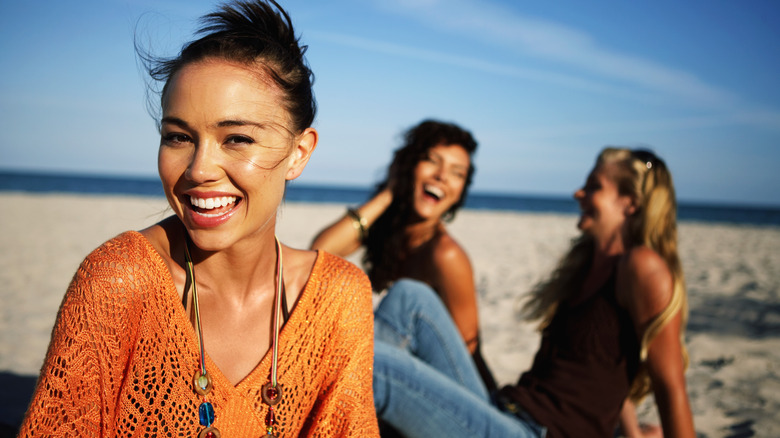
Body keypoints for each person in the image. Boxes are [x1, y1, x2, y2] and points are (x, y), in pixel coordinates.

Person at [18, 1, 379, 436]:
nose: (199, 169)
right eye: (178, 137)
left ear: (298, 153)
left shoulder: (337, 299)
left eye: (237, 138)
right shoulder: (119, 283)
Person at [372, 147, 696, 437]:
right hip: (505, 411)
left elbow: (671, 387)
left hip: (536, 433)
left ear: (630, 204)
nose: (578, 193)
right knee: (410, 297)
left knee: (373, 364)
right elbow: (609, 378)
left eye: (594, 186)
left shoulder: (643, 267)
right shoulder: (588, 265)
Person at [310, 119, 497, 391]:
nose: (442, 176)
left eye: (457, 173)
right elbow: (321, 251)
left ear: (460, 193)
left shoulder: (446, 255)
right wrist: (389, 192)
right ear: (409, 166)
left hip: (448, 397)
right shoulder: (391, 233)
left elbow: (466, 355)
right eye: (432, 161)